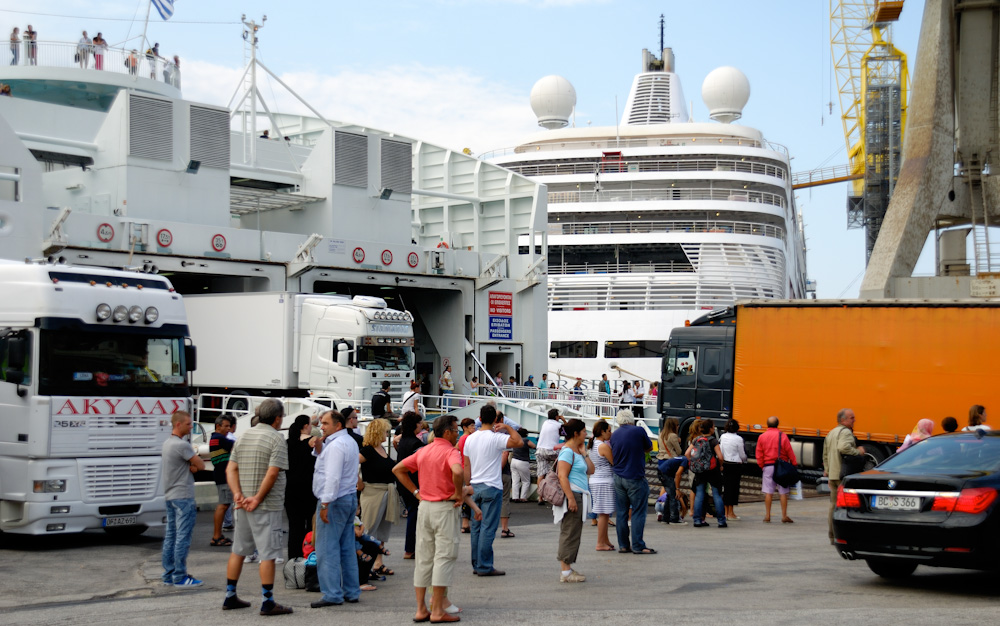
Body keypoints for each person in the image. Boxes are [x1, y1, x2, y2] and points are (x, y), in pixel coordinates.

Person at [392, 415, 467, 624]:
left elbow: (398, 469)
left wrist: (416, 492)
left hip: (424, 505)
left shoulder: (424, 450)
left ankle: (421, 608)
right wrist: (459, 493)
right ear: (447, 432)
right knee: (444, 555)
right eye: (455, 430)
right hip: (444, 507)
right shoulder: (451, 451)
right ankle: (437, 610)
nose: (457, 433)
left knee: (424, 557)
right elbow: (458, 470)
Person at [224, 398, 292, 614]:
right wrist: (258, 497)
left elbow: (231, 469)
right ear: (278, 418)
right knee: (268, 553)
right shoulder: (277, 438)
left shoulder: (243, 435)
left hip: (242, 503)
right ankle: (267, 601)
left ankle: (230, 595)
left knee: (238, 551)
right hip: (266, 505)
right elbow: (273, 472)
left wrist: (238, 495)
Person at [463, 404, 523, 576]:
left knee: (476, 527)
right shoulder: (496, 438)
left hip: (475, 485)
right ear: (496, 420)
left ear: (479, 419)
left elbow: (467, 465)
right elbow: (518, 441)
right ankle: (484, 565)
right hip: (492, 485)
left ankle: (476, 564)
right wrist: (507, 427)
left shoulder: (470, 438)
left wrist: (469, 485)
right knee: (488, 528)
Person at [310, 410, 361, 608]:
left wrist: (325, 503)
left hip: (334, 500)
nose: (321, 426)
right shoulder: (347, 441)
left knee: (326, 548)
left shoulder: (337, 445)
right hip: (347, 498)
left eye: (325, 423)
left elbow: (332, 477)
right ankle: (351, 590)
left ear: (337, 425)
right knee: (347, 547)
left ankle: (332, 593)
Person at [161, 410, 206, 587]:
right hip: (183, 495)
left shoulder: (167, 443)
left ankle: (169, 573)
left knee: (171, 535)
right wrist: (193, 467)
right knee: (183, 536)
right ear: (178, 424)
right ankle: (180, 575)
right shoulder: (182, 445)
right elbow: (201, 464)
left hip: (170, 494)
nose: (190, 427)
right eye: (188, 424)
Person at [358, 418, 399, 578]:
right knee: (369, 528)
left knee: (381, 530)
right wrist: (358, 482)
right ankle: (365, 565)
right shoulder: (367, 450)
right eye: (385, 431)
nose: (387, 434)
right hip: (373, 492)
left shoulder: (381, 448)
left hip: (386, 491)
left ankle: (377, 563)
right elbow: (351, 463)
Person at [555, 418, 595, 583]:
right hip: (573, 495)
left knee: (573, 532)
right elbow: (562, 475)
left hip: (579, 495)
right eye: (584, 431)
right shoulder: (567, 452)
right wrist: (570, 498)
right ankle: (565, 571)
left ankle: (568, 568)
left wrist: (584, 453)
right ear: (576, 433)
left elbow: (591, 469)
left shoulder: (576, 451)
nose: (586, 434)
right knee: (569, 532)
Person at [610, 409, 654, 554]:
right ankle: (638, 545)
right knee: (638, 512)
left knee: (622, 512)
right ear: (631, 419)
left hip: (618, 477)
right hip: (634, 476)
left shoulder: (614, 435)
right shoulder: (638, 431)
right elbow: (649, 447)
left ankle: (623, 545)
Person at [822, 408, 865, 542]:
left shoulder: (831, 433)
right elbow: (843, 447)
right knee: (847, 506)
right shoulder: (846, 432)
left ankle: (832, 535)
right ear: (843, 420)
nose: (854, 420)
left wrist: (828, 471)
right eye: (851, 418)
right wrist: (858, 452)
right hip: (843, 475)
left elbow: (825, 454)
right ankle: (845, 536)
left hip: (834, 475)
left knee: (833, 505)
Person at [285, 415, 318, 560]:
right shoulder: (311, 443)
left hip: (290, 489)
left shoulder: (287, 443)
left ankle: (293, 559)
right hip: (309, 489)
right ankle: (309, 556)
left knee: (294, 526)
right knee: (310, 526)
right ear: (306, 426)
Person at [755, 416, 797, 525]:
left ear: (767, 424)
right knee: (783, 492)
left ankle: (767, 515)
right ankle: (784, 516)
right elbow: (789, 451)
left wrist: (762, 466)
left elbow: (759, 454)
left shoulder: (762, 437)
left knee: (768, 492)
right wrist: (794, 464)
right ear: (778, 424)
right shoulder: (782, 436)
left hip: (768, 467)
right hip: (781, 468)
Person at [686, 420, 726, 528]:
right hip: (713, 470)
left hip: (700, 471)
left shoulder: (696, 440)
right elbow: (720, 457)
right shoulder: (713, 441)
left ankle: (697, 520)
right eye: (713, 427)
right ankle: (721, 521)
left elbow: (687, 453)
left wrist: (693, 463)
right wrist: (720, 465)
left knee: (699, 494)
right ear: (711, 429)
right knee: (716, 494)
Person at [396, 411, 425, 560]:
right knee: (414, 515)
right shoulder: (416, 443)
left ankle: (410, 548)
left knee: (412, 513)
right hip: (413, 483)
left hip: (402, 483)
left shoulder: (403, 441)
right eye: (419, 423)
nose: (421, 425)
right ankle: (410, 548)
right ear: (414, 425)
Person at [588, 420, 615, 550]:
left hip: (595, 479)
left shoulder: (593, 445)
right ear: (602, 432)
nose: (610, 433)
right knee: (604, 514)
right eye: (609, 431)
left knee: (603, 512)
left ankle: (605, 540)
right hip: (604, 481)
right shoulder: (603, 446)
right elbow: (613, 462)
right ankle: (600, 542)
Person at [209, 416, 235, 547]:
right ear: (218, 426)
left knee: (224, 504)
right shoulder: (219, 439)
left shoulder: (215, 439)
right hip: (223, 476)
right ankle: (216, 536)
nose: (229, 429)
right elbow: (237, 447)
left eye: (229, 426)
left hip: (220, 475)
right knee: (223, 504)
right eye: (226, 426)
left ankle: (217, 535)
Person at [719, 418, 747, 521]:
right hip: (735, 465)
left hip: (725, 464)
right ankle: (731, 512)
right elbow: (742, 454)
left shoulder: (723, 436)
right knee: (734, 488)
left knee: (726, 488)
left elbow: (721, 450)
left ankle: (726, 512)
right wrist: (744, 459)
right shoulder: (739, 439)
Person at [535, 409, 565, 503]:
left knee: (540, 475)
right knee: (560, 466)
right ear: (557, 417)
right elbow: (568, 432)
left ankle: (540, 497)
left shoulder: (545, 423)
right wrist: (563, 420)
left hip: (540, 450)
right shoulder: (558, 425)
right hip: (552, 451)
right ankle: (557, 487)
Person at [656, 452, 689, 525]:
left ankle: (666, 518)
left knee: (669, 495)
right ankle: (674, 519)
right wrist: (677, 489)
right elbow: (678, 474)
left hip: (662, 471)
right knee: (674, 496)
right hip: (666, 474)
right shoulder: (686, 461)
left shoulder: (682, 458)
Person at [510, 427, 535, 502]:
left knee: (515, 480)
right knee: (526, 481)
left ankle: (515, 497)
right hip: (522, 461)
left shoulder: (515, 440)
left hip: (513, 460)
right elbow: (534, 446)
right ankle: (523, 497)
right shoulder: (526, 440)